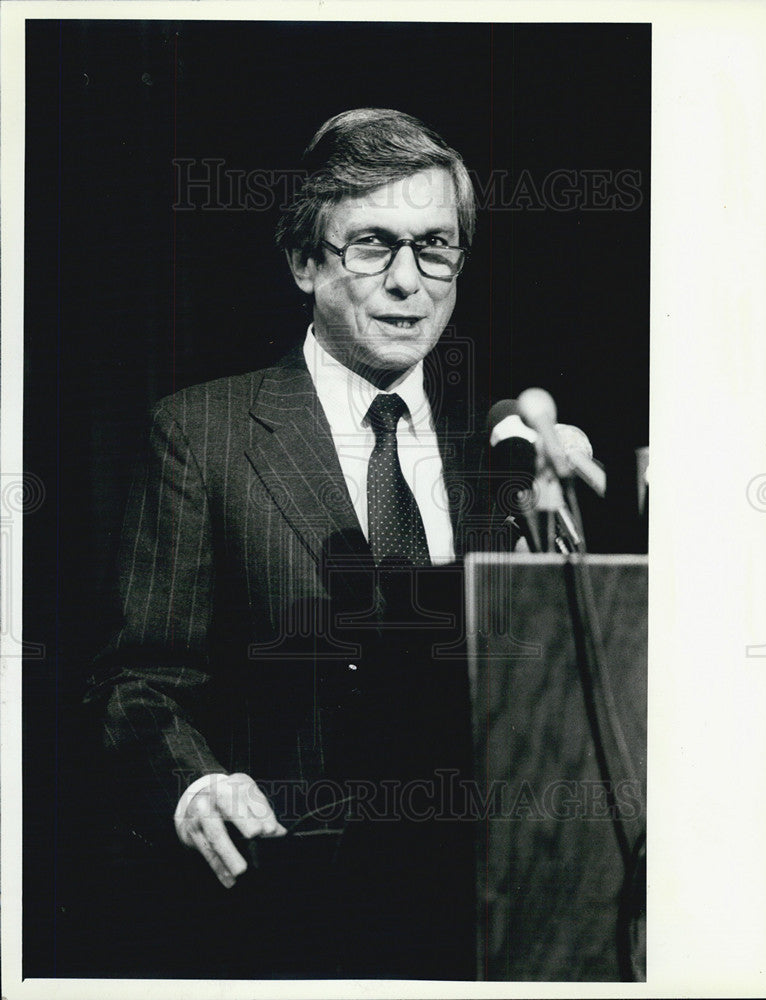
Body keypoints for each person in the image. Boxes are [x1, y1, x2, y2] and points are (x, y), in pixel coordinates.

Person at [85, 108, 486, 980]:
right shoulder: (204, 434)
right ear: (306, 263)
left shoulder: (492, 451)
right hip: (290, 912)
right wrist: (197, 787)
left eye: (436, 247)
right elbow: (137, 682)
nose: (406, 281)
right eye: (372, 245)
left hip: (484, 918)